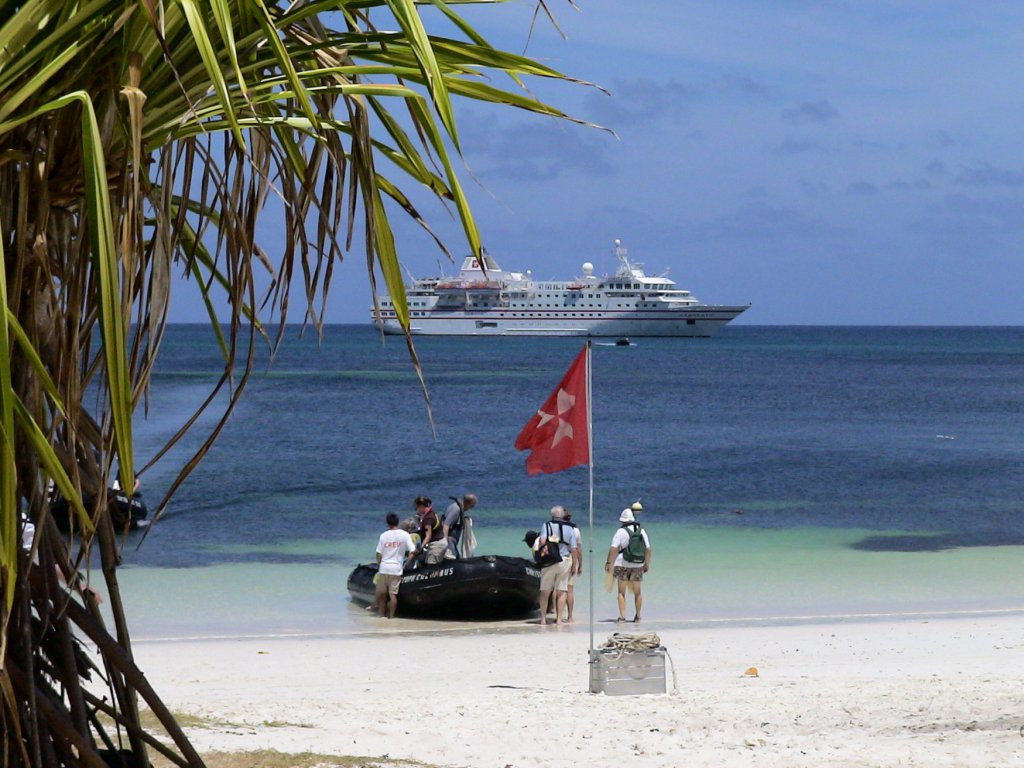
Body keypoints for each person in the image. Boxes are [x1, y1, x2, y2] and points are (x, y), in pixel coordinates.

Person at [604, 506, 651, 623]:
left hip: (622, 563)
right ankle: (638, 616)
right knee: (638, 592)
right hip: (637, 564)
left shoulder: (620, 531)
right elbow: (648, 549)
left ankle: (622, 617)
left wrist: (608, 563)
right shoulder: (642, 531)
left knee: (621, 592)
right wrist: (646, 564)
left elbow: (613, 549)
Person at [536, 505, 580, 626]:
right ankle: (559, 619)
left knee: (545, 591)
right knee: (562, 590)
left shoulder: (547, 525)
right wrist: (574, 564)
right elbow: (574, 549)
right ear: (563, 515)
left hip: (549, 560)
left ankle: (543, 619)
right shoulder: (570, 528)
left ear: (552, 515)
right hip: (564, 560)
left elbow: (542, 542)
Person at [374, 512, 417, 618]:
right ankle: (392, 617)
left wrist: (379, 565)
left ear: (387, 523)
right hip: (396, 569)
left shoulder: (383, 535)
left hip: (384, 568)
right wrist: (406, 564)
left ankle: (381, 616)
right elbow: (413, 551)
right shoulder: (405, 535)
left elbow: (378, 554)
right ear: (398, 522)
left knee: (383, 594)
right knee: (393, 595)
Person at [562, 509, 583, 623]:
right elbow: (578, 549)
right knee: (570, 590)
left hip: (559, 558)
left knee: (558, 589)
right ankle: (570, 617)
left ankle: (558, 617)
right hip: (571, 558)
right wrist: (580, 565)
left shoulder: (556, 528)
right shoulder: (575, 530)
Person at [414, 496, 448, 565]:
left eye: (417, 508)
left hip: (436, 545)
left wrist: (421, 547)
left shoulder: (428, 519)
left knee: (431, 565)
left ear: (421, 506)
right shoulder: (432, 513)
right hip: (442, 542)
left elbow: (428, 536)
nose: (417, 510)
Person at [443, 493, 477, 559]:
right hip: (449, 542)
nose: (472, 508)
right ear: (468, 503)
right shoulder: (456, 509)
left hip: (453, 543)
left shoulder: (458, 507)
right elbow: (446, 525)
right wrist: (445, 543)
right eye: (472, 506)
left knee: (458, 559)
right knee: (453, 560)